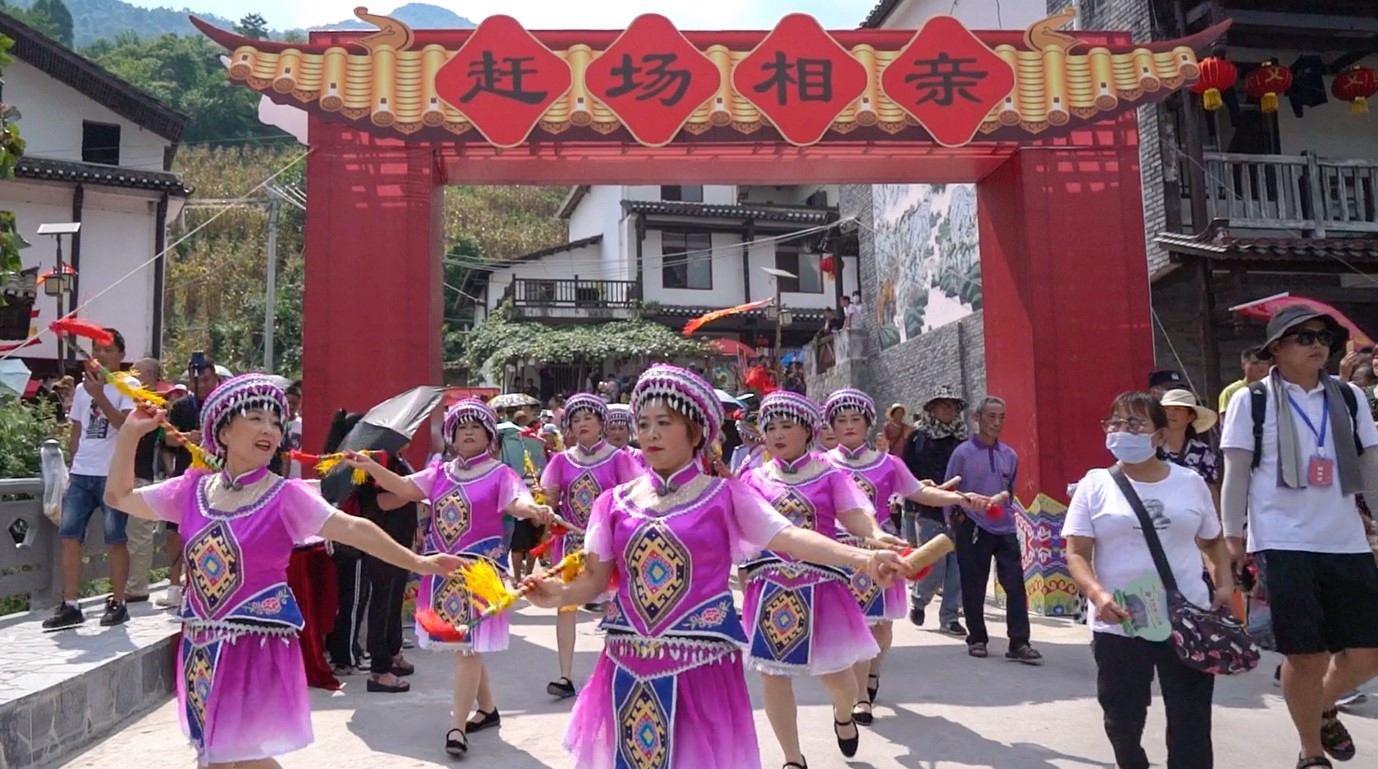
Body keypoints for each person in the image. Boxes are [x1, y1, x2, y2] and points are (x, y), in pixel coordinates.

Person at [522, 365, 903, 769]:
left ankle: (837, 718)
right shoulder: (614, 503)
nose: (650, 434)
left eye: (664, 423)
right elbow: (595, 581)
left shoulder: (724, 495)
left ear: (696, 432)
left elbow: (788, 537)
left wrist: (864, 557)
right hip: (627, 658)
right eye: (643, 424)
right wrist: (558, 595)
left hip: (699, 662)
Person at [103, 373, 462, 769]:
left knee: (229, 758)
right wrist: (130, 434)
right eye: (256, 418)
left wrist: (419, 563)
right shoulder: (191, 491)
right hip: (201, 648)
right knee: (229, 758)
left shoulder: (286, 496)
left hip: (255, 648)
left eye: (276, 422)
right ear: (223, 431)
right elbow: (118, 496)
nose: (270, 430)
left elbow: (354, 529)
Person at [349, 399, 554, 756]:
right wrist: (370, 466)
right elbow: (404, 487)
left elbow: (517, 501)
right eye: (461, 428)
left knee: (466, 650)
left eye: (475, 427)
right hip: (443, 572)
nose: (468, 433)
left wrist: (533, 509)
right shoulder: (439, 472)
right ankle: (487, 710)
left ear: (489, 435)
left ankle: (457, 728)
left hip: (479, 575)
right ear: (451, 437)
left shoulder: (500, 474)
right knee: (465, 649)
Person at [1220, 306, 1378, 769]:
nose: (1318, 345)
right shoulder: (1253, 400)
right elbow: (1236, 473)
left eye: (1324, 338)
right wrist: (1232, 536)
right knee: (1306, 654)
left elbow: (1370, 468)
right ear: (1276, 348)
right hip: (1282, 540)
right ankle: (1311, 752)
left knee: (1368, 654)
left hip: (1345, 539)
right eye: (1305, 337)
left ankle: (1322, 704)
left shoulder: (1348, 396)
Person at [1064, 391, 1232, 769]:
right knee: (1121, 719)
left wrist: (1224, 584)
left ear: (1159, 435)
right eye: (1115, 423)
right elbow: (1076, 552)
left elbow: (1212, 541)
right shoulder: (1094, 485)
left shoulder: (1190, 483)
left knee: (1191, 721)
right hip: (1120, 621)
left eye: (1135, 423)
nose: (1122, 431)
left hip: (1185, 617)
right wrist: (1098, 595)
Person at [739, 390, 904, 767]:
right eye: (770, 428)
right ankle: (792, 758)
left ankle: (844, 714)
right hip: (770, 588)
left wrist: (876, 536)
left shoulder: (829, 475)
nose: (777, 434)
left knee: (840, 681)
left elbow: (855, 514)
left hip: (822, 587)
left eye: (786, 426)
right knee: (773, 676)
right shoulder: (754, 478)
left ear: (808, 431)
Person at [821, 388, 987, 725]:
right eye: (841, 420)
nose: (849, 425)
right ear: (832, 427)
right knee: (857, 625)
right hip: (841, 553)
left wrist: (958, 498)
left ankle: (873, 672)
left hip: (885, 551)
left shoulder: (888, 464)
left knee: (881, 628)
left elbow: (920, 492)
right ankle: (861, 697)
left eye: (855, 419)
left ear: (868, 423)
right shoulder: (822, 465)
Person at [538, 393, 640, 698]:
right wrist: (545, 508)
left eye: (588, 418)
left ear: (601, 423)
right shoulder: (561, 460)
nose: (582, 424)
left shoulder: (619, 459)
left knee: (613, 608)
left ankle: (614, 672)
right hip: (570, 544)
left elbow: (635, 499)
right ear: (568, 427)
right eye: (576, 420)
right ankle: (564, 675)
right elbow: (550, 498)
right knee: (566, 605)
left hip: (608, 546)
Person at [43, 329, 137, 631]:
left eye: (108, 350)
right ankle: (71, 604)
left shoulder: (128, 385)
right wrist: (73, 466)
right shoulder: (83, 389)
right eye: (96, 349)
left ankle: (119, 602)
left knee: (115, 538)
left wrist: (100, 396)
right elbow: (77, 431)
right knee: (69, 536)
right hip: (82, 473)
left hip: (113, 474)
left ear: (121, 355)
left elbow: (125, 425)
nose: (101, 355)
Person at [948, 396, 1043, 663]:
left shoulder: (1009, 455)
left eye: (1001, 417)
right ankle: (977, 638)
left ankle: (1019, 642)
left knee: (1015, 585)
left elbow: (1009, 490)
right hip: (973, 525)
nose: (997, 422)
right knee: (974, 584)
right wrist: (955, 526)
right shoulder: (962, 454)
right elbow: (949, 491)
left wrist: (1002, 499)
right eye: (991, 416)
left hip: (1005, 527)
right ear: (977, 418)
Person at [902, 386, 969, 633]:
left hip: (959, 509)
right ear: (932, 409)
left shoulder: (963, 439)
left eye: (952, 406)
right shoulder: (918, 438)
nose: (948, 410)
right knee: (935, 563)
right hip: (929, 508)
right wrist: (915, 497)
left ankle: (950, 617)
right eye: (943, 405)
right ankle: (920, 599)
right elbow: (905, 473)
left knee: (957, 567)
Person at [124, 356, 165, 604]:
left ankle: (137, 587)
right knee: (124, 535)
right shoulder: (129, 400)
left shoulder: (156, 405)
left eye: (139, 372)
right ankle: (125, 584)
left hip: (141, 474)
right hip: (124, 473)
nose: (134, 375)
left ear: (152, 377)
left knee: (139, 534)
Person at [1219, 348, 1270, 416]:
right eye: (1255, 363)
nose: (1262, 367)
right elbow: (1225, 420)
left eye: (1265, 363)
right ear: (1243, 365)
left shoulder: (1272, 389)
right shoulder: (1231, 391)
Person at [283, 381, 304, 478]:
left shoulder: (302, 424)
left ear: (299, 404)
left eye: (294, 403)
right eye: (288, 402)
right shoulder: (276, 424)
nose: (291, 406)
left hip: (297, 475)